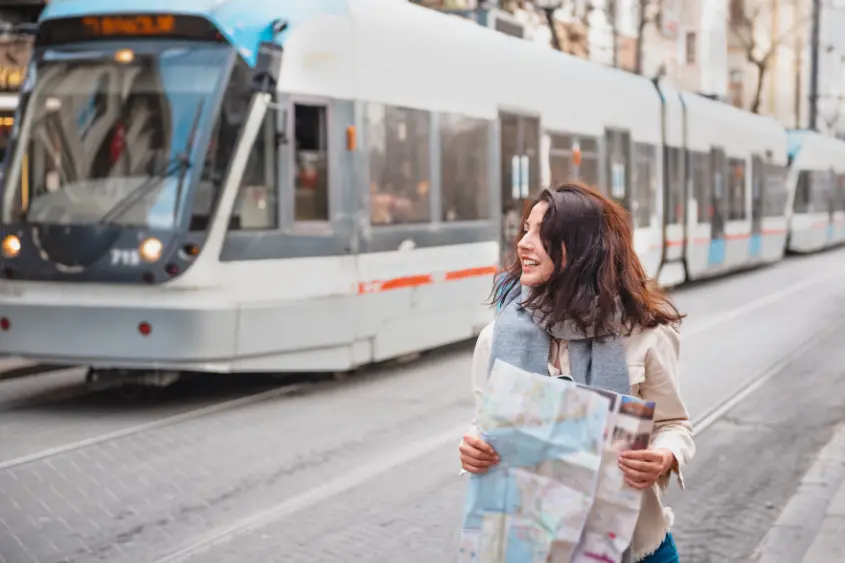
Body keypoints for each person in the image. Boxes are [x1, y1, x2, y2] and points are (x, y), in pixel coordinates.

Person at [458, 182, 695, 563]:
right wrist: (473, 447)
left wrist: (665, 455)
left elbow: (674, 423)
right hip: (529, 545)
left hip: (632, 546)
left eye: (544, 235)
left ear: (584, 248)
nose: (524, 244)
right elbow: (484, 423)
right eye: (525, 230)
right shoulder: (497, 337)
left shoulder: (645, 334)